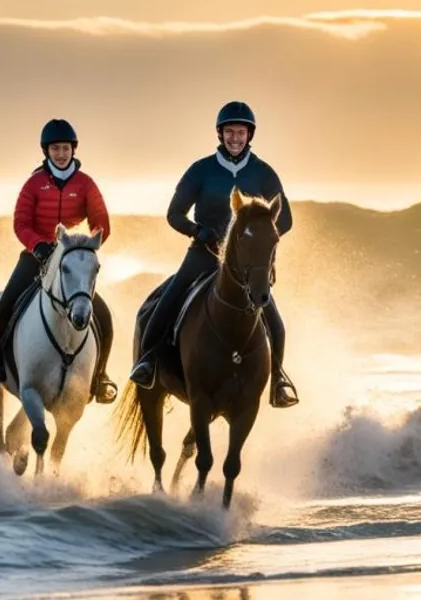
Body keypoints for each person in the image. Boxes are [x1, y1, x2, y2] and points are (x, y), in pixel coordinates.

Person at [127, 101, 299, 408]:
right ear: (220, 135)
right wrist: (197, 231)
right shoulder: (201, 170)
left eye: (241, 132)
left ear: (250, 135)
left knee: (275, 320)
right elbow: (174, 213)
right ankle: (148, 362)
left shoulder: (263, 172)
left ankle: (279, 380)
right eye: (230, 132)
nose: (235, 138)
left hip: (245, 266)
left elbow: (283, 219)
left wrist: (260, 246)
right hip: (204, 253)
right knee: (168, 299)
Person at [0, 119, 118, 403]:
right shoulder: (35, 183)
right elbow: (21, 222)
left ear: (73, 150)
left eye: (65, 148)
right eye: (55, 149)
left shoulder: (86, 184)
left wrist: (85, 246)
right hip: (35, 256)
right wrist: (37, 245)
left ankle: (100, 376)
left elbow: (101, 223)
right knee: (4, 307)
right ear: (46, 151)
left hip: (71, 261)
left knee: (103, 315)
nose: (61, 153)